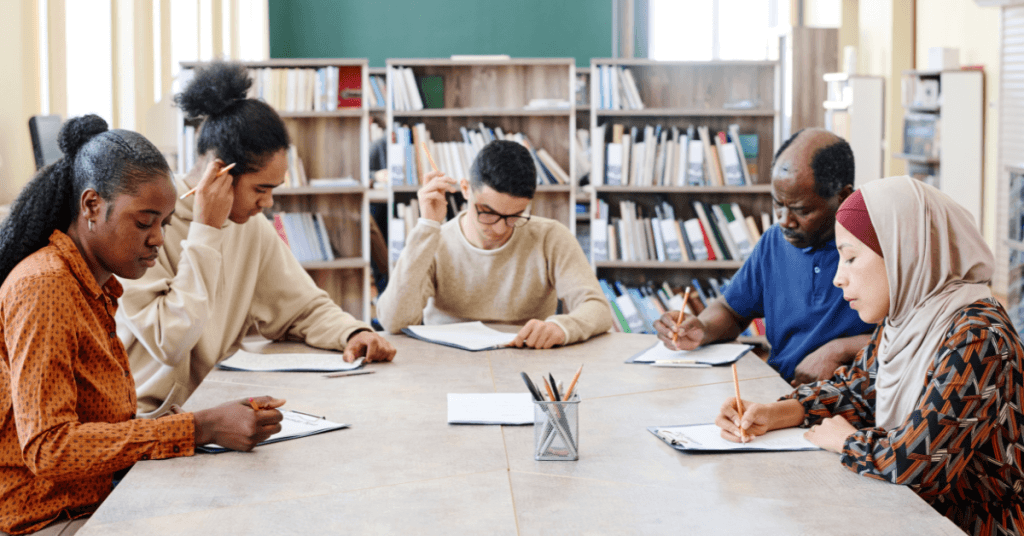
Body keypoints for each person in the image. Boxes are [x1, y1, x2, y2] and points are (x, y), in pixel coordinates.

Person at [0, 115, 285, 535]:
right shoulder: (46, 286)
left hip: (91, 499)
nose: (158, 240)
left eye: (165, 223)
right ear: (92, 206)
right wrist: (198, 427)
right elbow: (50, 449)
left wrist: (192, 426)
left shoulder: (93, 286)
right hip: (49, 520)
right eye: (144, 222)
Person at [716, 176, 1023, 535]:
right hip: (908, 520)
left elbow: (920, 464)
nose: (838, 278)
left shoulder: (978, 335)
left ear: (902, 252)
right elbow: (857, 391)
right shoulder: (907, 319)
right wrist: (773, 413)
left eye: (850, 258)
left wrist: (845, 441)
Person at [115, 61, 396, 418]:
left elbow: (302, 307)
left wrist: (352, 333)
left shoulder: (251, 227)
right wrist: (206, 229)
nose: (269, 203)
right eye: (261, 189)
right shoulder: (146, 225)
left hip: (212, 410)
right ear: (219, 172)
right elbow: (169, 341)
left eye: (274, 190)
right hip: (147, 421)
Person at [654, 128, 874, 385]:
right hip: (779, 389)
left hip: (851, 395)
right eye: (778, 204)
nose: (784, 220)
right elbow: (731, 310)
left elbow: (916, 334)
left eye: (801, 210)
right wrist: (701, 329)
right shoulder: (774, 241)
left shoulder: (878, 246)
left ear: (844, 197)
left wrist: (840, 350)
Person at [377, 140, 612, 348]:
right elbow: (393, 321)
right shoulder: (434, 240)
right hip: (446, 364)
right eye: (487, 212)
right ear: (466, 189)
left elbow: (597, 308)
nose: (500, 229)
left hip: (527, 358)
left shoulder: (550, 237)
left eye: (515, 216)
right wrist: (427, 225)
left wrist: (564, 327)